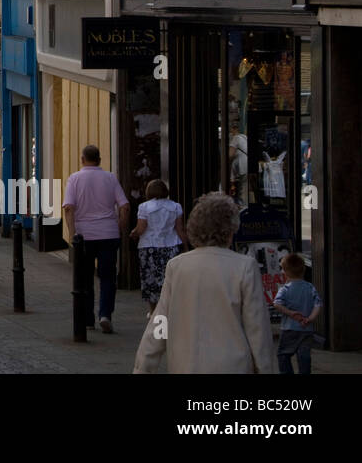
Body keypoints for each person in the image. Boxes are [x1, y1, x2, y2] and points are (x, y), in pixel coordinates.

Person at [133, 192, 276, 374]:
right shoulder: (245, 266)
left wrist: (143, 367)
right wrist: (265, 368)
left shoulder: (177, 266)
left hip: (185, 365)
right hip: (233, 365)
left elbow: (160, 323)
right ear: (231, 230)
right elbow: (258, 329)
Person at [62, 145, 129, 333]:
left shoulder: (74, 179)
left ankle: (88, 319)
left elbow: (68, 208)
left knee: (85, 279)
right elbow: (125, 206)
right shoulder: (110, 178)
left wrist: (74, 233)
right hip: (108, 234)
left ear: (82, 159)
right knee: (108, 277)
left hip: (84, 236)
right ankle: (105, 315)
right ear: (99, 159)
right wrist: (120, 229)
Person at [128, 179, 185, 316]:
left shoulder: (144, 207)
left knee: (150, 280)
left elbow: (141, 229)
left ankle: (153, 310)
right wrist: (187, 246)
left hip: (149, 247)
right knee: (168, 279)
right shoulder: (176, 207)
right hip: (171, 246)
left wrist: (133, 233)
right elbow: (179, 229)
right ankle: (168, 308)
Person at [273, 252, 322, 374]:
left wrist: (290, 313)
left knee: (283, 354)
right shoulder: (310, 287)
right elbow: (318, 305)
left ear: (284, 271)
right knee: (304, 356)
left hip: (289, 328)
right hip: (307, 329)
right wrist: (310, 318)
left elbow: (277, 304)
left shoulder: (285, 289)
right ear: (303, 270)